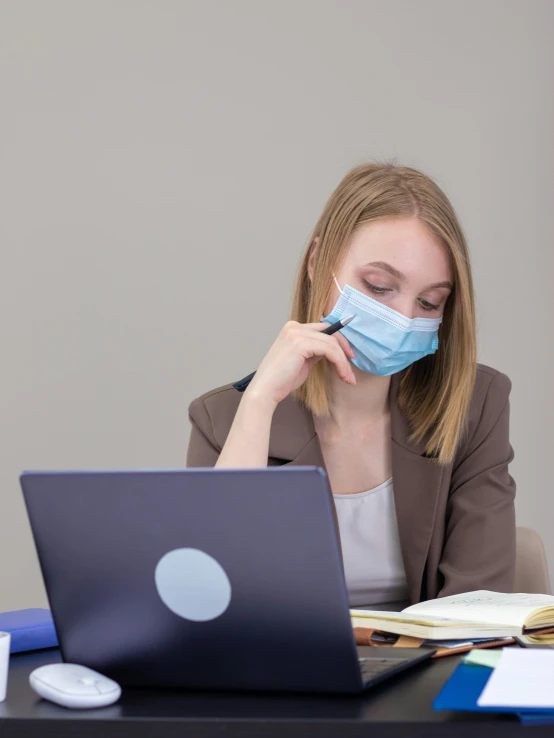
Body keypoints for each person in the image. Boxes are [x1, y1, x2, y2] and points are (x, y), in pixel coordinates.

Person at [186, 162, 516, 607]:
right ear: (317, 261)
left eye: (428, 301)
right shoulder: (222, 418)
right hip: (285, 673)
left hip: (431, 670)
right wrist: (260, 402)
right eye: (379, 287)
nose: (403, 318)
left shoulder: (478, 404)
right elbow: (203, 600)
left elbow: (481, 607)